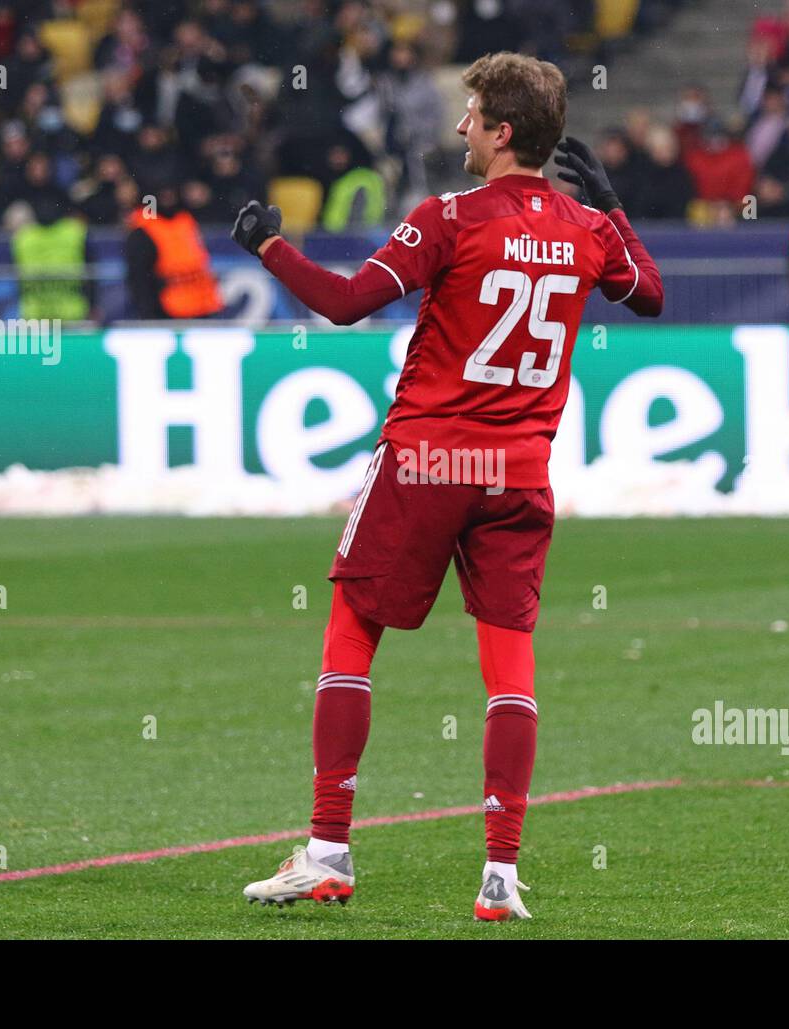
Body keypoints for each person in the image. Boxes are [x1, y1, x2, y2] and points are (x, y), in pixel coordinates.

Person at [231, 51, 663, 922]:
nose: (460, 126)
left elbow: (350, 301)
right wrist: (612, 209)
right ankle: (500, 875)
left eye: (471, 114)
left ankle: (326, 851)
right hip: (518, 473)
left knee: (353, 628)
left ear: (503, 132)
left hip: (428, 460)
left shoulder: (451, 218)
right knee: (509, 664)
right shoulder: (582, 227)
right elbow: (649, 294)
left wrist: (271, 246)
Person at [123, 183, 222, 319]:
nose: (168, 197)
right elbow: (140, 279)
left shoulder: (186, 220)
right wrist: (150, 314)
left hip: (203, 304)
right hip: (168, 309)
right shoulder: (143, 231)